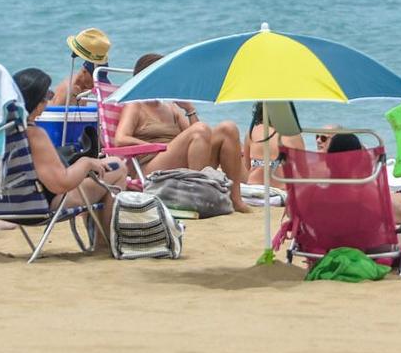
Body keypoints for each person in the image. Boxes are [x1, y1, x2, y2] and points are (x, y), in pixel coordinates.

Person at [14, 68, 132, 237]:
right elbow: (60, 184)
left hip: (4, 204)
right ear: (36, 102)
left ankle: (101, 239)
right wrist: (86, 163)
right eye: (46, 97)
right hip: (38, 207)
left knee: (99, 173)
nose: (48, 102)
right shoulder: (33, 135)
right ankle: (103, 243)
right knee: (117, 167)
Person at [112, 79, 257, 214]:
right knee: (199, 130)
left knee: (228, 128)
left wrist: (189, 110)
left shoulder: (171, 109)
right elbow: (120, 139)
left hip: (178, 159)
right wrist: (153, 146)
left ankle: (236, 200)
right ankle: (198, 197)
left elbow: (200, 136)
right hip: (151, 164)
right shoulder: (135, 106)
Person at [49, 27, 109, 106]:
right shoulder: (69, 90)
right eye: (94, 79)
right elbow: (54, 113)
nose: (95, 83)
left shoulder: (83, 89)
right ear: (84, 72)